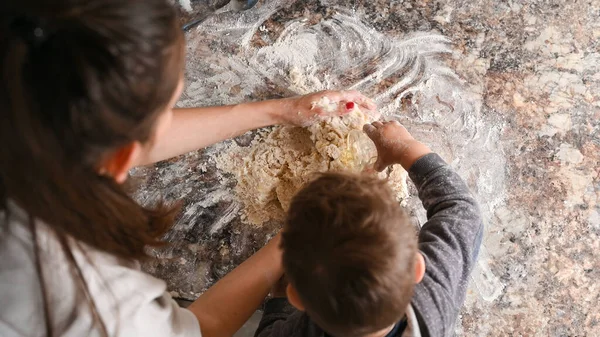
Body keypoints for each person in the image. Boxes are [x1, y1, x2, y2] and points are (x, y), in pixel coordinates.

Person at [0, 1, 377, 337]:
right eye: (167, 109)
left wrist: (275, 111)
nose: (170, 117)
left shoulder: (18, 80)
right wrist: (300, 231)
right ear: (118, 158)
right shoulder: (95, 307)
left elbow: (98, 136)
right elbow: (202, 329)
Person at [254, 121, 484, 337]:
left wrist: (279, 300)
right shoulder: (433, 303)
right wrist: (406, 149)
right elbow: (462, 212)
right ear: (416, 268)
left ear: (296, 297)